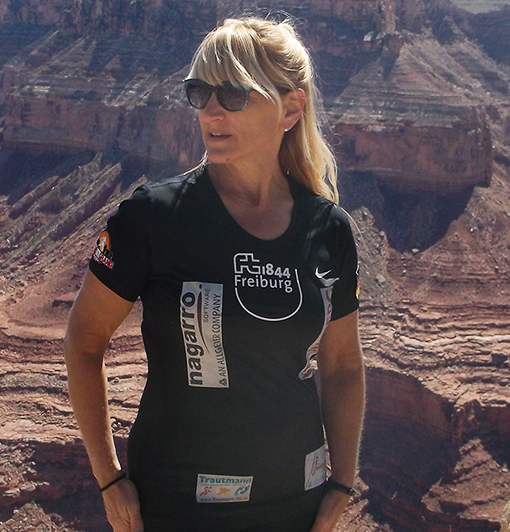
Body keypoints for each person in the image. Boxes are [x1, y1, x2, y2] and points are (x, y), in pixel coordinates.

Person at [64, 15, 365, 532]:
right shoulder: (152, 218)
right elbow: (84, 341)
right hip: (179, 505)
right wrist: (110, 480)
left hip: (297, 505)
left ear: (291, 108)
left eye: (233, 94)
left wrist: (342, 483)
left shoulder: (329, 229)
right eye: (199, 92)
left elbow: (341, 366)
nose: (211, 110)